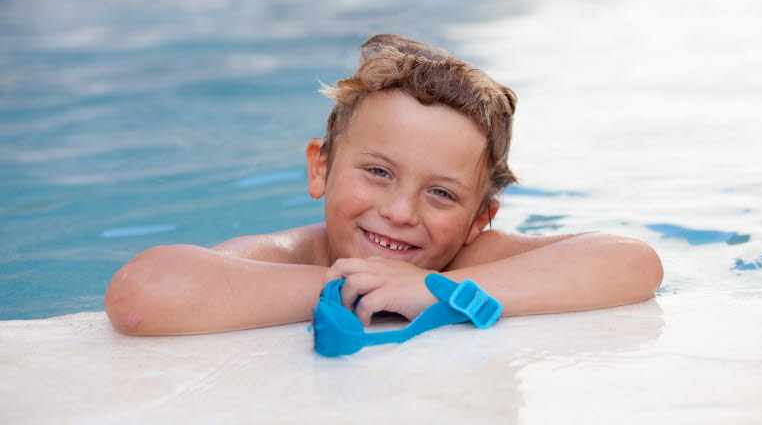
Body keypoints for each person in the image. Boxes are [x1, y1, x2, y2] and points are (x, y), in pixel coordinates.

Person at [105, 34, 663, 335]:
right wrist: (355, 287)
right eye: (378, 172)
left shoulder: (467, 261)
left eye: (441, 193)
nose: (400, 212)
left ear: (479, 220)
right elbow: (140, 294)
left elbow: (632, 262)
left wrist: (433, 290)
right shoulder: (284, 258)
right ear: (321, 168)